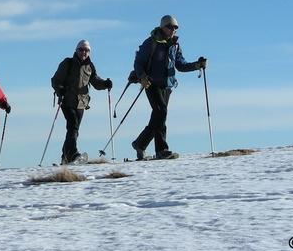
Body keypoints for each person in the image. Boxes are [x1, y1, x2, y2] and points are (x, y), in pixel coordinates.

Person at [130, 15, 207, 160]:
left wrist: (196, 65)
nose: (173, 30)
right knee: (161, 113)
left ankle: (140, 143)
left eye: (175, 28)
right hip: (152, 84)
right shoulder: (151, 43)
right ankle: (161, 150)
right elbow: (139, 62)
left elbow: (180, 65)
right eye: (171, 27)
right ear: (163, 27)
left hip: (168, 85)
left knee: (159, 117)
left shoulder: (175, 45)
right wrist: (142, 77)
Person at [51, 40, 112, 164]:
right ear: (76, 50)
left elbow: (95, 81)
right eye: (81, 49)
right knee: (73, 125)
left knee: (74, 129)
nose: (84, 52)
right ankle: (73, 153)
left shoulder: (90, 66)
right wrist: (60, 89)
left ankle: (65, 157)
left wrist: (105, 84)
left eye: (87, 50)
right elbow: (55, 80)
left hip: (81, 103)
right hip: (67, 101)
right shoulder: (67, 63)